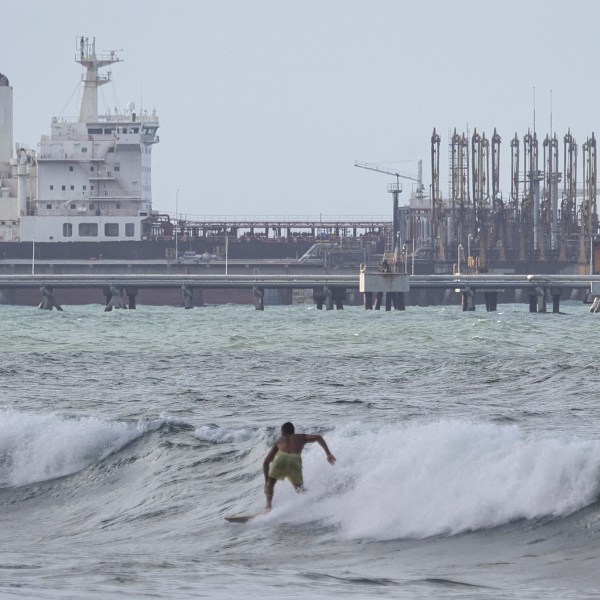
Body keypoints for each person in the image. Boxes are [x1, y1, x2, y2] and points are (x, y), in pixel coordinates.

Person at [263, 421, 336, 511]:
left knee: (271, 482)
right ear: (293, 431)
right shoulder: (301, 436)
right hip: (295, 460)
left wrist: (267, 482)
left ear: (282, 432)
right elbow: (318, 437)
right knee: (299, 488)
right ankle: (315, 502)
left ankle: (268, 508)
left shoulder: (279, 441)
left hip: (281, 458)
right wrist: (328, 454)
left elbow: (266, 462)